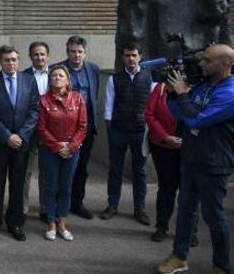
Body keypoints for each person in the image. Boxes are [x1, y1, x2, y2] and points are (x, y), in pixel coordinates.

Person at [156, 44, 234, 274]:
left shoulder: (230, 93)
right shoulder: (203, 86)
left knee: (213, 216)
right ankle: (179, 256)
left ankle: (222, 265)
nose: (201, 64)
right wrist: (173, 95)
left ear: (226, 64)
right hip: (191, 158)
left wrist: (182, 95)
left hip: (214, 163)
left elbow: (198, 120)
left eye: (208, 61)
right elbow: (180, 113)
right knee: (186, 210)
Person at [0, 45, 39, 241]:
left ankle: (15, 223)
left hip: (21, 144)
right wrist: (7, 136)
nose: (11, 63)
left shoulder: (29, 80)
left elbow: (34, 110)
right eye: (7, 60)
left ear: (19, 60)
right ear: (0, 61)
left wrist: (22, 135)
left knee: (17, 185)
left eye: (14, 59)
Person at [100, 42, 153, 225]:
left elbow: (153, 107)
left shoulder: (149, 78)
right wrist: (110, 131)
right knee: (115, 170)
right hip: (118, 130)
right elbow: (108, 107)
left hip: (140, 131)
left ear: (140, 57)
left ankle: (140, 209)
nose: (131, 59)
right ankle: (112, 205)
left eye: (134, 55)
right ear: (123, 57)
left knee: (140, 172)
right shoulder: (114, 79)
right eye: (127, 55)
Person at [36, 65, 88, 242]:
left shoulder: (78, 99)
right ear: (50, 80)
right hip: (50, 150)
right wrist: (58, 147)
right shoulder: (44, 101)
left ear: (67, 79)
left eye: (61, 75)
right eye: (54, 75)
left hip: (72, 151)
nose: (57, 77)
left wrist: (71, 147)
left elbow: (82, 126)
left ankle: (62, 224)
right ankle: (51, 222)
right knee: (51, 186)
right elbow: (41, 128)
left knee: (66, 187)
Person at [55, 35, 100, 220]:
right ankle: (59, 203)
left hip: (86, 128)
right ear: (67, 52)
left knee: (82, 167)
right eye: (73, 52)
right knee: (62, 167)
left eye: (80, 52)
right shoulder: (58, 70)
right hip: (64, 128)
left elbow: (94, 96)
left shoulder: (94, 69)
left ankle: (77, 203)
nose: (77, 55)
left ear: (85, 52)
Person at [145, 73, 191, 243]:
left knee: (189, 191)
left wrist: (187, 142)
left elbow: (200, 116)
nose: (172, 85)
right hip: (163, 147)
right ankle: (162, 227)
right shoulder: (159, 89)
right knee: (166, 188)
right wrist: (165, 137)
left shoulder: (195, 91)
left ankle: (189, 231)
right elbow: (150, 114)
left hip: (189, 148)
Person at [23, 41, 51, 221]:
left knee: (47, 172)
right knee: (25, 171)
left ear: (48, 56)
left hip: (50, 131)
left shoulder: (57, 74)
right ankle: (23, 208)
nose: (39, 57)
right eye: (36, 54)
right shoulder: (23, 76)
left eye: (42, 54)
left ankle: (45, 208)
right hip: (29, 130)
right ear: (30, 56)